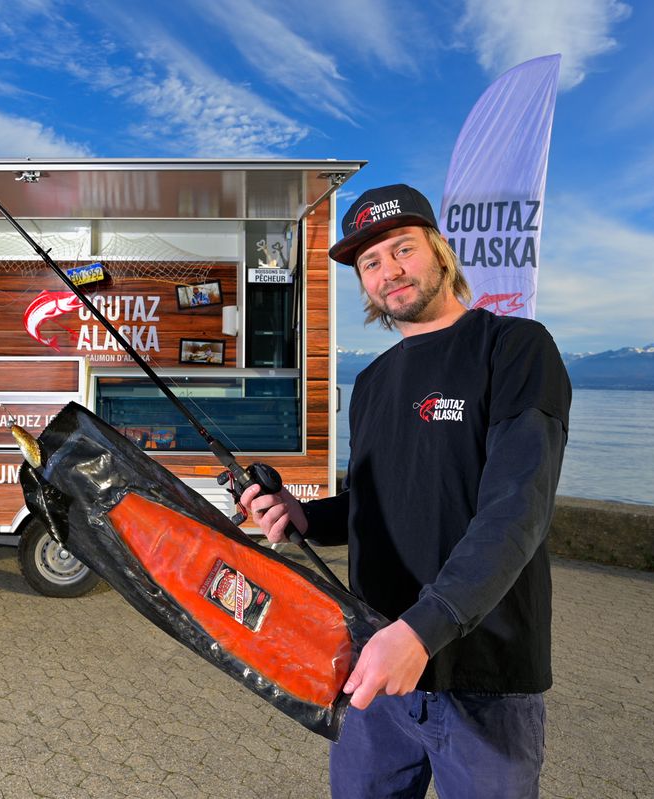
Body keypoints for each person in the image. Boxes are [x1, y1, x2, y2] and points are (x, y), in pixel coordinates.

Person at [242, 183, 571, 798]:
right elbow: (379, 497)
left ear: (441, 252)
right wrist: (305, 516)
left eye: (403, 249)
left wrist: (422, 630)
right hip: (376, 668)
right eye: (370, 262)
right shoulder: (370, 382)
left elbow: (516, 508)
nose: (389, 270)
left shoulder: (515, 348)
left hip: (484, 676)